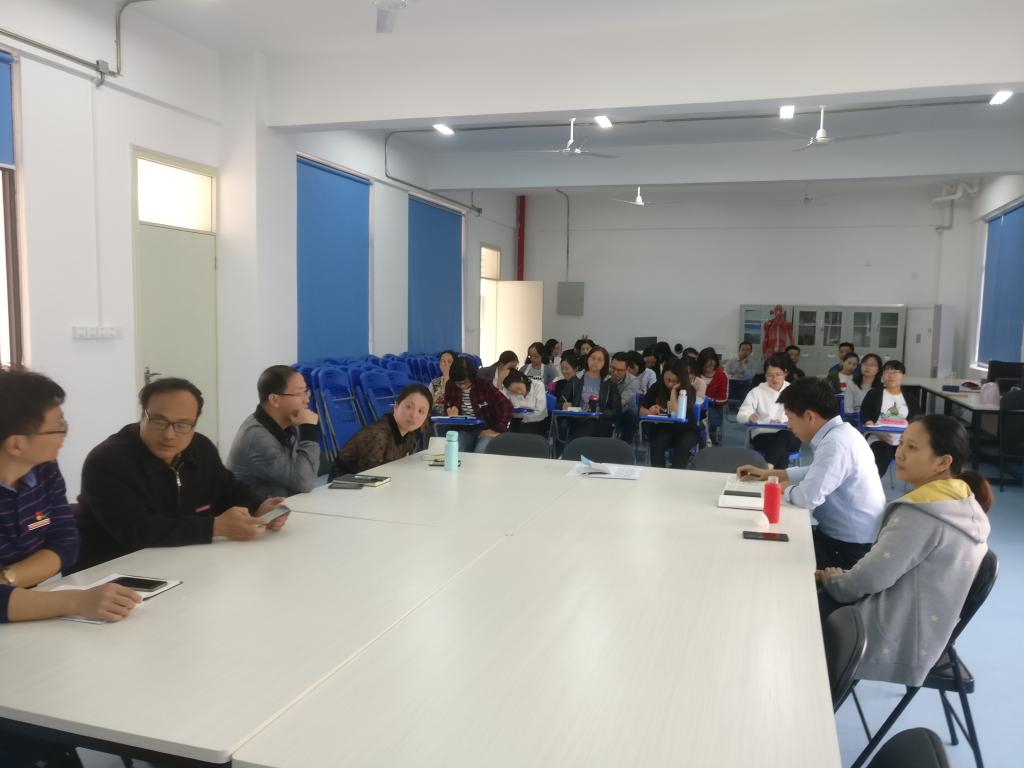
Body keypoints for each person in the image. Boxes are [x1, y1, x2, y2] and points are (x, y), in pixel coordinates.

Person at [816, 416, 991, 688]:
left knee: (800, 609)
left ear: (943, 462)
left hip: (889, 633)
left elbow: (869, 579)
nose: (900, 453)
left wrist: (834, 582)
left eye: (912, 447)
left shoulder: (922, 513)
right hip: (925, 635)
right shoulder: (962, 503)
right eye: (902, 444)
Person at [74, 378, 288, 573]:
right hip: (113, 573)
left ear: (195, 423)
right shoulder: (107, 461)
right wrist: (214, 527)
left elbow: (228, 489)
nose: (169, 434)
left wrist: (258, 507)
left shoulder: (201, 448)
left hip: (186, 562)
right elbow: (135, 530)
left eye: (182, 425)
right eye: (158, 421)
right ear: (142, 415)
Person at [0, 368, 141, 629]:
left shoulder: (44, 469)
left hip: (30, 608)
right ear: (17, 444)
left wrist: (9, 578)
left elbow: (66, 541)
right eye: (58, 427)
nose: (65, 434)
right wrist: (76, 601)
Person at [737, 377, 886, 570]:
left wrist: (785, 487)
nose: (788, 425)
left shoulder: (836, 443)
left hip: (849, 549)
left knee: (771, 556)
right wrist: (771, 474)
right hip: (843, 538)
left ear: (809, 416)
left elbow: (806, 498)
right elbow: (817, 471)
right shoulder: (841, 433)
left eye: (790, 418)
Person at [227, 365, 320, 498]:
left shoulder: (290, 424)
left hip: (283, 504)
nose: (306, 400)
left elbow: (306, 475)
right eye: (299, 394)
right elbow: (304, 482)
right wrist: (309, 432)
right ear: (275, 400)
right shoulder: (256, 437)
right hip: (254, 510)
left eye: (306, 392)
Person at [334, 384, 432, 474]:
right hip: (344, 485)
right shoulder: (377, 436)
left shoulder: (409, 435)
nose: (414, 415)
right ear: (396, 406)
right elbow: (370, 479)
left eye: (421, 411)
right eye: (409, 407)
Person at [736, 355, 800, 469]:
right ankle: (771, 472)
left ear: (785, 373)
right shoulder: (757, 392)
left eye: (778, 374)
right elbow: (740, 415)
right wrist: (749, 417)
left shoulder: (793, 391)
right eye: (770, 375)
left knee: (783, 435)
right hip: (764, 435)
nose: (774, 379)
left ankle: (766, 470)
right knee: (782, 450)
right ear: (765, 375)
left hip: (790, 435)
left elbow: (802, 415)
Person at [861, 359, 918, 477]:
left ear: (903, 376)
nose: (891, 375)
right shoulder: (873, 394)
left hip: (904, 440)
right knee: (882, 454)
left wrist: (907, 438)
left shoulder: (910, 398)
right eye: (887, 372)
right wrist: (878, 433)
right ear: (882, 376)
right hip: (878, 438)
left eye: (896, 372)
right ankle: (872, 484)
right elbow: (865, 417)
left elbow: (918, 421)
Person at [640, 359, 700, 468]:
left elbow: (675, 412)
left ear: (681, 379)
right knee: (657, 443)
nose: (670, 384)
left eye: (674, 381)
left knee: (682, 445)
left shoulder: (689, 390)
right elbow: (641, 410)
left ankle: (676, 474)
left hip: (687, 429)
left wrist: (673, 391)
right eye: (667, 380)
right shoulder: (656, 387)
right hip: (663, 428)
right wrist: (650, 411)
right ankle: (658, 474)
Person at [443, 357, 512, 453]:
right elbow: (447, 407)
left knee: (481, 450)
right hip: (463, 429)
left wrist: (497, 430)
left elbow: (506, 405)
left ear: (472, 377)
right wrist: (450, 414)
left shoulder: (484, 385)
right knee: (457, 449)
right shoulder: (450, 385)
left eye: (465, 382)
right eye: (459, 383)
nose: (462, 386)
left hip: (487, 428)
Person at [559, 346, 621, 438]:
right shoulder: (575, 380)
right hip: (578, 420)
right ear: (587, 359)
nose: (595, 362)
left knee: (593, 423)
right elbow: (560, 402)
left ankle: (576, 444)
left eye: (599, 360)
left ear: (605, 363)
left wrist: (601, 413)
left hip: (601, 421)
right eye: (593, 358)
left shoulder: (609, 383)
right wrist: (564, 405)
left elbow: (617, 410)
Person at [502, 370, 549, 436]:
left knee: (522, 430)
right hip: (517, 420)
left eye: (518, 388)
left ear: (522, 379)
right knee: (507, 431)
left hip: (538, 420)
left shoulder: (538, 385)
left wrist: (524, 418)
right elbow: (502, 408)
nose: (518, 392)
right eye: (514, 391)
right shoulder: (508, 390)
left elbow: (540, 412)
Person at [698, 347, 728, 444]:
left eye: (710, 365)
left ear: (715, 362)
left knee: (708, 415)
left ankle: (709, 436)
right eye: (705, 366)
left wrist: (709, 400)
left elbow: (724, 398)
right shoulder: (696, 373)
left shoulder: (722, 375)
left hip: (714, 407)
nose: (708, 369)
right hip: (696, 405)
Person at [609, 352, 641, 443]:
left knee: (633, 412)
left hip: (623, 413)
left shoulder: (633, 382)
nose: (615, 372)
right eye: (613, 368)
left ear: (627, 369)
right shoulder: (604, 375)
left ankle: (625, 444)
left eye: (619, 370)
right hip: (605, 411)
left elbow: (619, 403)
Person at [429, 350, 458, 414]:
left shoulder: (459, 382)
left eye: (449, 361)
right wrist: (433, 400)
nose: (445, 364)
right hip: (435, 416)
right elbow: (426, 403)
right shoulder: (434, 383)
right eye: (443, 361)